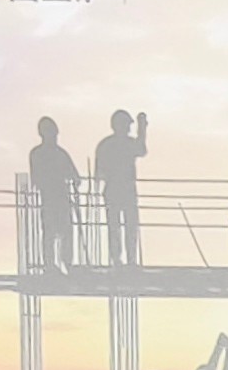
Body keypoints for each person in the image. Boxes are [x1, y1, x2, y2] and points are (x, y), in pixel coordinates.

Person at [28, 117, 81, 272]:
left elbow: (75, 176)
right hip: (50, 198)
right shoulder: (38, 154)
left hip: (62, 197)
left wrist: (74, 181)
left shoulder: (60, 153)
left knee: (65, 231)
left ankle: (66, 262)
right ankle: (50, 264)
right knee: (50, 231)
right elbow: (37, 179)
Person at [94, 109, 146, 264]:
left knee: (123, 225)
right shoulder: (115, 144)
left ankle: (123, 258)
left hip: (119, 189)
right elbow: (141, 150)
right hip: (120, 189)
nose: (129, 128)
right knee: (121, 225)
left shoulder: (106, 144)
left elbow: (141, 150)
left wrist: (142, 129)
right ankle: (123, 259)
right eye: (127, 124)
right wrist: (142, 129)